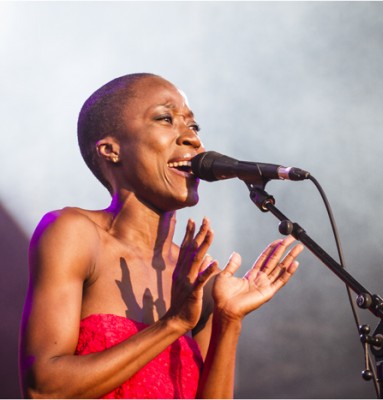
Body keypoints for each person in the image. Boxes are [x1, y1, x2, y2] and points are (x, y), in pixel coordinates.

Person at [19, 73, 304, 399]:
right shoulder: (75, 234)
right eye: (165, 119)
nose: (193, 140)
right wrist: (172, 324)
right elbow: (43, 390)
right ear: (111, 150)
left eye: (194, 127)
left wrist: (229, 320)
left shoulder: (198, 278)